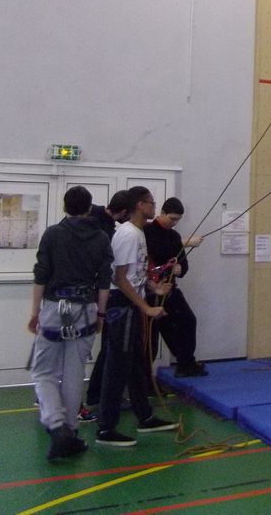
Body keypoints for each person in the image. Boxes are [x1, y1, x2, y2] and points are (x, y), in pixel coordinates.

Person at [28, 186, 113, 460]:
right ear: (89, 207)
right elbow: (104, 280)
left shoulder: (53, 234)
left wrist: (35, 311)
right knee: (75, 371)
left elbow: (42, 273)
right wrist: (100, 315)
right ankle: (71, 430)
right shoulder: (101, 238)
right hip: (86, 309)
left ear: (65, 207)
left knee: (43, 372)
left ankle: (56, 425)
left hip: (55, 306)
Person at [96, 186, 178, 447]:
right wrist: (146, 307)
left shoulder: (138, 234)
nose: (155, 207)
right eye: (152, 203)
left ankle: (145, 416)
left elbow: (135, 274)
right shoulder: (128, 235)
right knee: (117, 365)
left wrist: (154, 288)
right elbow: (119, 278)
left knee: (136, 363)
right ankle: (106, 428)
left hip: (131, 302)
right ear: (141, 205)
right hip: (122, 306)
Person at [82, 189, 131, 420]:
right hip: (90, 297)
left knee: (106, 348)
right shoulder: (95, 225)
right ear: (123, 211)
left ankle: (94, 395)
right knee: (80, 352)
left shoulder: (108, 226)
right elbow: (103, 268)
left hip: (96, 296)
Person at [145, 197, 207, 378]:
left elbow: (183, 263)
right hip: (150, 290)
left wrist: (180, 269)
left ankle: (185, 363)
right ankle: (146, 379)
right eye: (172, 218)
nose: (174, 223)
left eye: (178, 220)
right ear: (162, 213)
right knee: (153, 336)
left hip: (170, 289)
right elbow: (155, 253)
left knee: (188, 320)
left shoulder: (174, 236)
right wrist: (183, 245)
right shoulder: (147, 232)